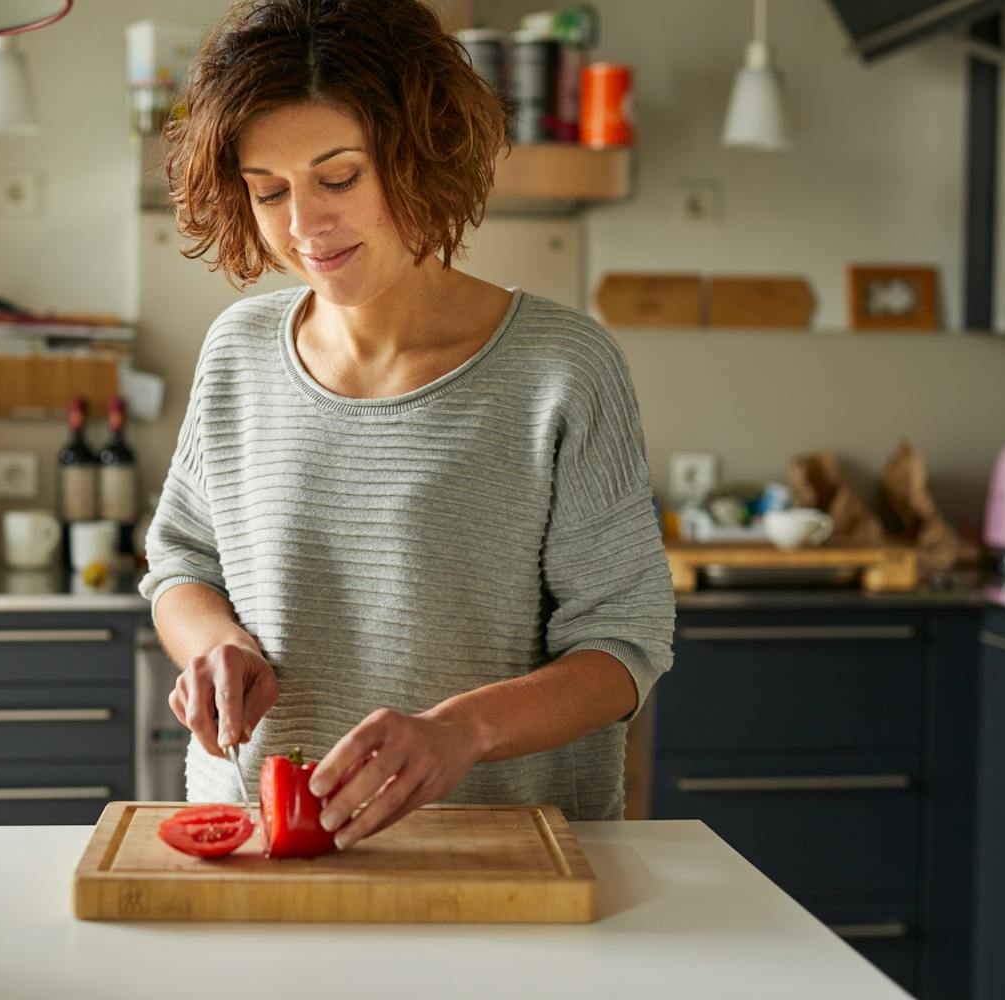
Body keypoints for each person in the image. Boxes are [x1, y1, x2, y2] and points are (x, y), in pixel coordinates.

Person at [140, 0, 674, 851]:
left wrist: (463, 731)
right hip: (267, 845)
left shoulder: (562, 368)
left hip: (502, 855)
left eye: (340, 177)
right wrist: (214, 643)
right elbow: (181, 564)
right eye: (269, 191)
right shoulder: (237, 350)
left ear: (422, 155)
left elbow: (622, 649)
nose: (304, 227)